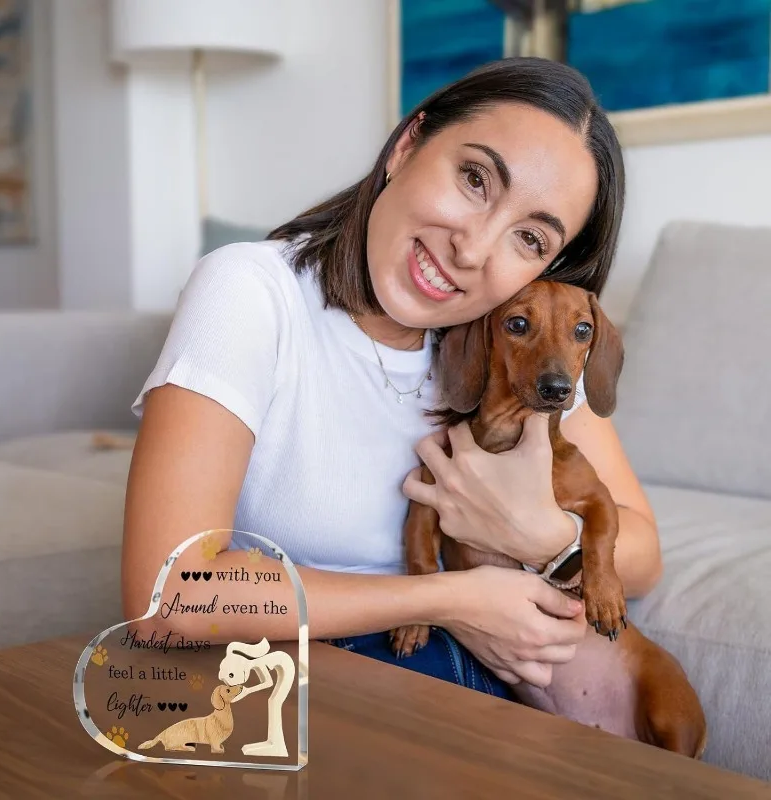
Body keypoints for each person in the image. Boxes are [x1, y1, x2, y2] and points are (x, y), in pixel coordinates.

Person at [122, 57, 661, 701]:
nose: (472, 249)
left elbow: (644, 556)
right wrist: (453, 599)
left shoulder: (519, 346)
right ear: (408, 145)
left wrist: (539, 535)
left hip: (489, 676)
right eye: (474, 178)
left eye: (530, 239)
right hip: (308, 672)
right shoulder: (250, 290)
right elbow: (168, 595)